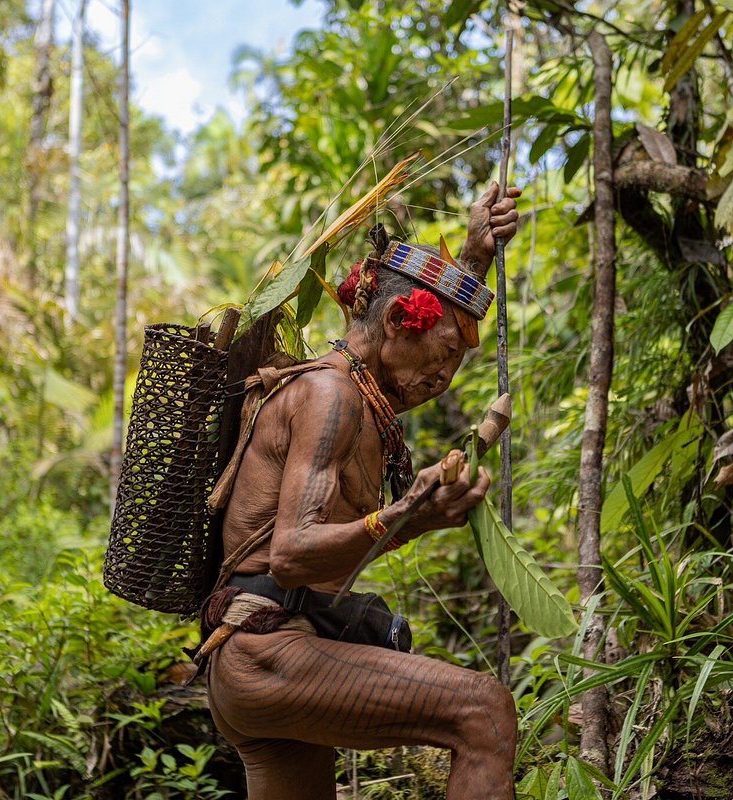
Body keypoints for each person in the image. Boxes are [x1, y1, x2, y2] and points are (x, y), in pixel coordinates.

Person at [200, 181, 522, 800]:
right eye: (443, 354)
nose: (443, 378)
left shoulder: (357, 398)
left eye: (454, 365)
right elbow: (291, 556)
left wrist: (475, 253)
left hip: (255, 656)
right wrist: (404, 514)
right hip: (269, 649)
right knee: (484, 713)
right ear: (399, 322)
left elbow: (313, 549)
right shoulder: (331, 396)